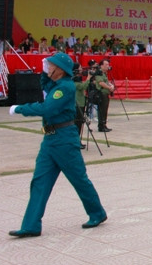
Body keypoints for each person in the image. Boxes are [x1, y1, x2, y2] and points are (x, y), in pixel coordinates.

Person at [7, 52, 107, 237]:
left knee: (78, 179)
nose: (48, 68)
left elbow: (47, 108)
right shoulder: (57, 84)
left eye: (50, 66)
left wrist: (19, 109)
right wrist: (44, 74)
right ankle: (31, 225)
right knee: (40, 182)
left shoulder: (65, 88)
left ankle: (97, 213)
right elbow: (46, 85)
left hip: (64, 139)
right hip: (50, 139)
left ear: (60, 70)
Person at [94, 58, 115, 132]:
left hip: (106, 93)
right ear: (101, 66)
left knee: (105, 110)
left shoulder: (104, 73)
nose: (107, 66)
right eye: (106, 64)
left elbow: (106, 81)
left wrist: (111, 85)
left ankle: (104, 124)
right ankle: (101, 126)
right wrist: (109, 87)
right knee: (102, 110)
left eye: (108, 64)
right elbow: (100, 83)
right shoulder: (99, 73)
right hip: (101, 93)